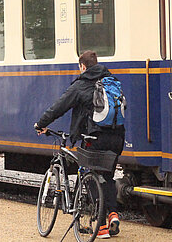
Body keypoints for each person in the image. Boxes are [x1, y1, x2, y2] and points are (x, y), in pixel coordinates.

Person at [34, 50, 125, 239]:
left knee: (90, 175)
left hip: (95, 138)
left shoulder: (81, 85)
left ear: (82, 66)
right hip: (117, 138)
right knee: (107, 176)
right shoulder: (111, 82)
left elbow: (58, 107)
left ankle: (99, 227)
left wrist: (41, 124)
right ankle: (113, 215)